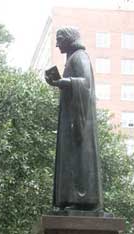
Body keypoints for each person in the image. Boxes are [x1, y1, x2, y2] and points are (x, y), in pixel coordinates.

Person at [45, 27, 103, 212]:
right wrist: (59, 82)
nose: (57, 43)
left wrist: (64, 82)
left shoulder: (80, 56)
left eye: (59, 39)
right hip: (70, 119)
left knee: (79, 159)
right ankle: (68, 198)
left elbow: (85, 83)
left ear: (69, 39)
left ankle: (82, 198)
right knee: (70, 159)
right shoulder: (72, 58)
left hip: (79, 123)